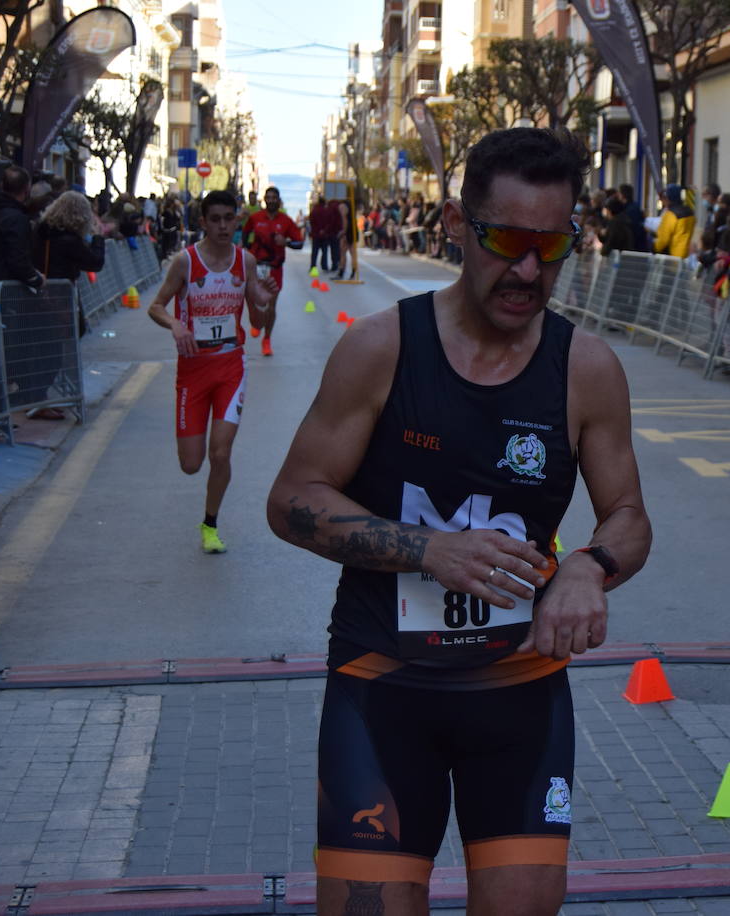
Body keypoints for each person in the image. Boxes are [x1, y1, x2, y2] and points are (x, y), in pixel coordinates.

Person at [266, 126, 652, 916]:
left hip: (519, 694)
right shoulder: (381, 349)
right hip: (382, 689)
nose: (528, 270)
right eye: (507, 240)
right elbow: (292, 498)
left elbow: (628, 515)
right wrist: (427, 550)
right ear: (454, 224)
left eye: (553, 246)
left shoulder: (586, 369)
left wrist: (588, 567)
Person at [147, 189, 279, 554]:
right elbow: (155, 306)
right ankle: (206, 515)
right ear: (203, 222)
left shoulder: (245, 261)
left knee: (220, 454)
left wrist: (264, 305)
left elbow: (256, 319)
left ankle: (210, 523)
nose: (223, 226)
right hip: (192, 371)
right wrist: (175, 324)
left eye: (229, 219)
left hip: (230, 366)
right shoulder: (186, 262)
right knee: (191, 464)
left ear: (237, 221)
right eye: (215, 219)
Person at [242, 186, 305, 356]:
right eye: (268, 197)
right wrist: (247, 249)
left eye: (274, 197)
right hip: (256, 267)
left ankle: (267, 339)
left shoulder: (286, 220)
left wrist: (286, 242)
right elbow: (245, 232)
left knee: (271, 305)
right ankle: (256, 323)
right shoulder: (255, 218)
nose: (271, 200)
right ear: (264, 199)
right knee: (255, 300)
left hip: (275, 268)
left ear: (278, 200)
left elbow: (299, 243)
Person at [0, 166, 44, 289]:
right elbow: (18, 258)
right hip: (7, 290)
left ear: (2, 185)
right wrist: (35, 279)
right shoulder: (16, 219)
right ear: (27, 189)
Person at [653, 184, 695, 258]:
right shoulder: (690, 212)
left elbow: (663, 239)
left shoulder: (671, 214)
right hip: (685, 254)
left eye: (665, 198)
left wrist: (654, 248)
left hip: (673, 256)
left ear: (669, 198)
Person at [308, 195, 338, 272]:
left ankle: (313, 266)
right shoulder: (326, 210)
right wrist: (324, 230)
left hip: (316, 234)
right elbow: (330, 222)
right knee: (324, 252)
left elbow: (311, 221)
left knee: (314, 252)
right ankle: (324, 266)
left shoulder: (314, 210)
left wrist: (316, 230)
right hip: (324, 235)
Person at [335, 198, 358, 280]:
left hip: (348, 232)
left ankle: (341, 272)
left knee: (343, 253)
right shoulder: (351, 207)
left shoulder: (342, 206)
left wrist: (343, 232)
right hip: (353, 231)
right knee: (352, 254)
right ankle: (353, 272)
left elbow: (344, 220)